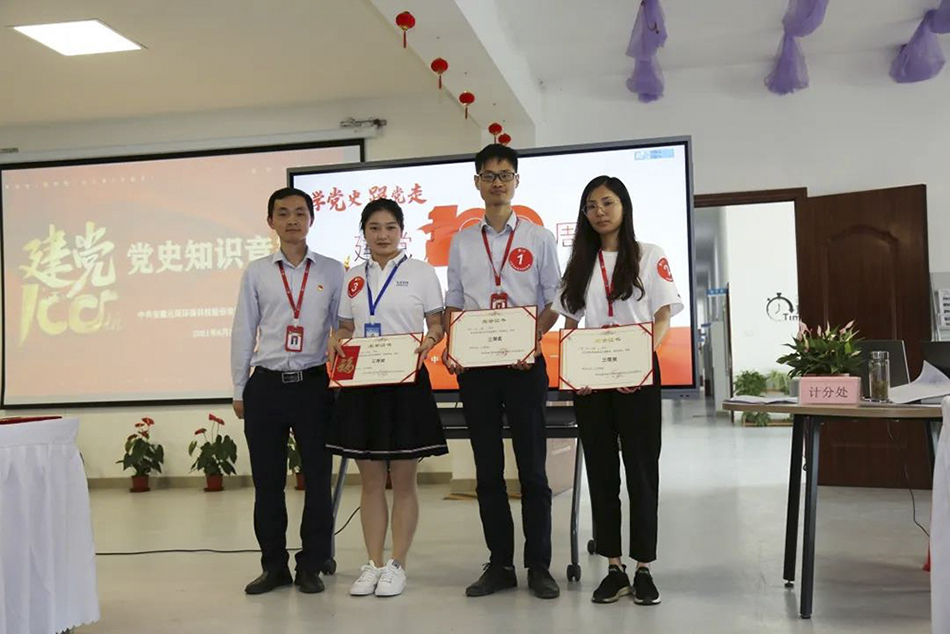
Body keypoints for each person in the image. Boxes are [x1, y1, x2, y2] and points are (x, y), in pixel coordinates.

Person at [543, 175, 683, 605]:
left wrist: (638, 363)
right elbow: (569, 322)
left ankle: (643, 567)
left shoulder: (648, 255)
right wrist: (572, 371)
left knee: (641, 473)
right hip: (592, 382)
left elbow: (662, 317)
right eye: (591, 205)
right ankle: (614, 567)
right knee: (602, 475)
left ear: (624, 206)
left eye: (607, 202)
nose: (599, 211)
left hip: (637, 378)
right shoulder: (579, 263)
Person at [443, 144, 562, 599]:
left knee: (533, 470)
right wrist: (454, 346)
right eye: (489, 175)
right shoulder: (462, 241)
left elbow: (553, 300)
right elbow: (455, 300)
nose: (497, 183)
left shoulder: (538, 237)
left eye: (505, 175)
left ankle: (539, 565)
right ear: (477, 182)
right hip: (477, 370)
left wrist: (530, 339)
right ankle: (500, 564)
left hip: (524, 367)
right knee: (488, 472)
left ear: (516, 182)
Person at [326, 198, 448, 598]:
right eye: (374, 228)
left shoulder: (421, 272)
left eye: (390, 227)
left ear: (401, 231)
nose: (382, 235)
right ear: (364, 233)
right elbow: (347, 327)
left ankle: (397, 564)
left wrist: (432, 339)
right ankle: (373, 563)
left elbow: (436, 322)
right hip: (363, 384)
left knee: (405, 480)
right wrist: (338, 339)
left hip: (406, 381)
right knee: (371, 481)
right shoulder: (352, 277)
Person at [231, 186, 344, 595]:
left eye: (300, 212)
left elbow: (343, 327)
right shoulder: (258, 272)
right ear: (271, 222)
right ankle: (274, 566)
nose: (292, 220)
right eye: (283, 213)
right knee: (267, 484)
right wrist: (239, 387)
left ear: (311, 220)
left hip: (314, 385)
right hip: (266, 386)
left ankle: (311, 564)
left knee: (317, 480)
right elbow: (244, 330)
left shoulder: (332, 270)